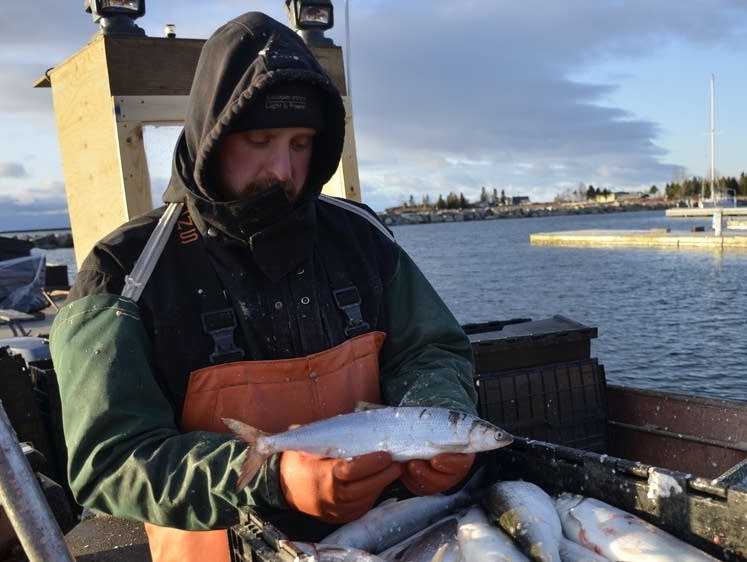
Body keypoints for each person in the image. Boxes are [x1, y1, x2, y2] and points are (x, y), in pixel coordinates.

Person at [49, 11, 477, 562]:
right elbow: (109, 461)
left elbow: (431, 348)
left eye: (302, 144)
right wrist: (266, 478)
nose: (283, 168)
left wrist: (434, 420)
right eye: (259, 140)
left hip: (385, 535)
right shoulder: (125, 274)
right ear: (212, 136)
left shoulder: (361, 236)